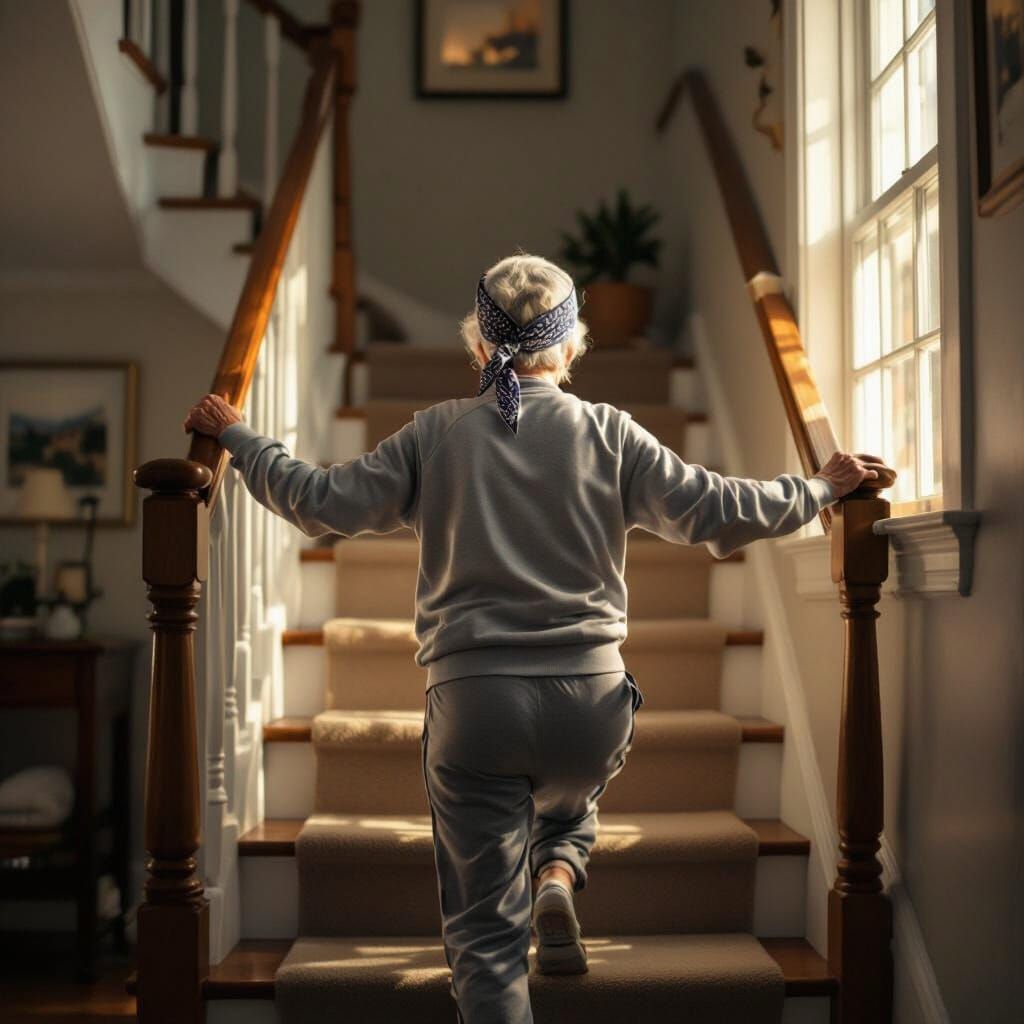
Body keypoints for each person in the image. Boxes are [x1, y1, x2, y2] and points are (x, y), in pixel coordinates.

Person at [184, 253, 889, 1024]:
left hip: (475, 704)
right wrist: (820, 487)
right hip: (590, 701)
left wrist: (243, 440)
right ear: (573, 346)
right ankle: (557, 869)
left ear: (478, 347)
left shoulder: (436, 435)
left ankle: (539, 888)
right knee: (568, 787)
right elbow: (714, 509)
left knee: (485, 942)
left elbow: (322, 502)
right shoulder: (611, 433)